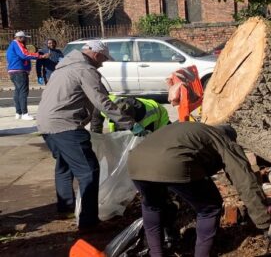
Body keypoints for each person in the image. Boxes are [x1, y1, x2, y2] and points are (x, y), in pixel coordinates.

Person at [37, 40, 143, 232]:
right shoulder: (85, 70)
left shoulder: (63, 67)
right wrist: (131, 125)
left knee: (64, 164)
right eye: (103, 58)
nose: (103, 63)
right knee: (89, 171)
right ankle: (89, 222)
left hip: (45, 124)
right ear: (95, 54)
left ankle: (66, 208)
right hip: (64, 126)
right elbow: (103, 102)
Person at [127, 121, 271, 257]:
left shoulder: (195, 131)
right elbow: (245, 180)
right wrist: (264, 222)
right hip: (172, 162)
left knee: (152, 206)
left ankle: (156, 254)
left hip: (135, 162)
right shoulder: (223, 139)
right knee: (210, 207)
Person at [6, 31, 49, 120]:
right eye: (24, 38)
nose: (25, 40)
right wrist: (40, 56)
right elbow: (24, 55)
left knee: (18, 92)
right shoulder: (17, 44)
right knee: (23, 92)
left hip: (14, 71)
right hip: (19, 71)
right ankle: (25, 114)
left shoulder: (12, 45)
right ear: (19, 38)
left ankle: (18, 113)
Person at [91, 94, 170, 134]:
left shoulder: (145, 118)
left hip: (160, 120)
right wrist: (96, 134)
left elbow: (145, 138)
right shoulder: (108, 105)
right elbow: (97, 114)